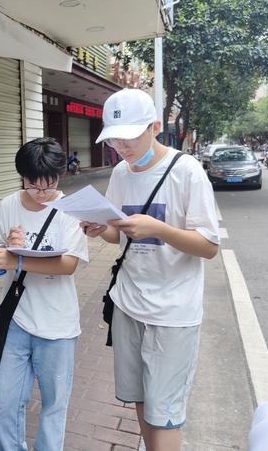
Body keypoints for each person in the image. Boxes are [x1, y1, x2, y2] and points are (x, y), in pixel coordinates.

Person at [80, 89, 219, 451]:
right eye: (114, 140)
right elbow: (117, 235)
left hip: (172, 313)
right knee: (140, 397)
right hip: (128, 304)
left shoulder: (186, 171)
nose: (122, 148)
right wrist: (99, 229)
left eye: (129, 138)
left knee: (165, 411)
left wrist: (160, 229)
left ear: (154, 127)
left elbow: (209, 246)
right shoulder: (120, 174)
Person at [0, 137, 89, 451]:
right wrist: (4, 250)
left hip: (57, 326)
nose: (42, 194)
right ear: (23, 177)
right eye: (34, 186)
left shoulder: (71, 209)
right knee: (4, 404)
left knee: (54, 406)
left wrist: (16, 257)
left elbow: (68, 264)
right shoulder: (8, 205)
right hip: (14, 321)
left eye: (50, 185)